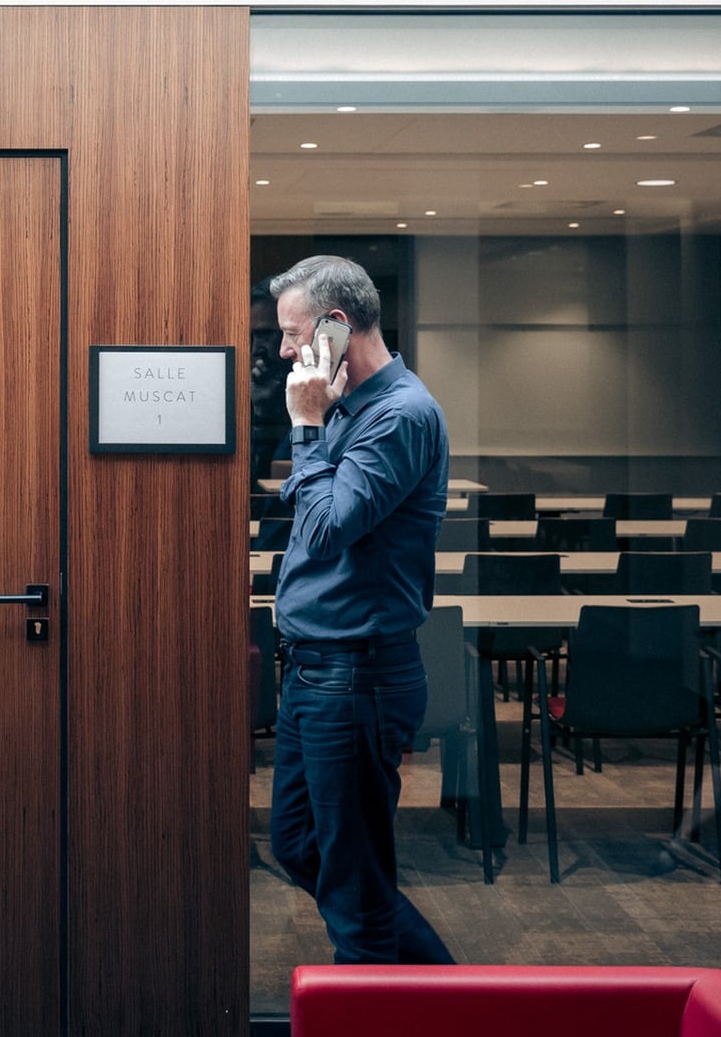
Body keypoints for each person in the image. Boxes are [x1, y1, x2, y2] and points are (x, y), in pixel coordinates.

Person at [265, 255, 456, 965]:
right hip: (318, 674)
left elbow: (322, 527)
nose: (285, 351)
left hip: (357, 677)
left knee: (352, 884)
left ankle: (416, 1002)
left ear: (335, 327)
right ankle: (447, 999)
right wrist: (318, 427)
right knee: (301, 847)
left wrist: (307, 429)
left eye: (292, 334)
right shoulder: (348, 406)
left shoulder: (401, 414)